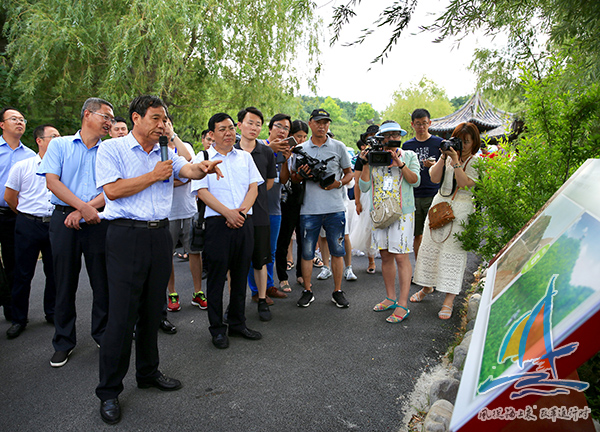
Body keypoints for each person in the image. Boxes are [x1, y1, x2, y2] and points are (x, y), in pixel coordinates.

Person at [94, 95, 222, 425]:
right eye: (155, 118)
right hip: (125, 234)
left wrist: (202, 167)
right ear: (136, 118)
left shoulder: (166, 151)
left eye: (164, 119)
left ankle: (148, 372)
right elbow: (111, 191)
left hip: (158, 235)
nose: (161, 125)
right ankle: (109, 391)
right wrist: (153, 175)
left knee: (153, 311)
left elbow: (188, 169)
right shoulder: (114, 149)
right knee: (122, 316)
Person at [38, 98, 113, 368]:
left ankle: (102, 333)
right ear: (87, 115)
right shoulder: (59, 144)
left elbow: (113, 189)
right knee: (63, 281)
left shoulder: (110, 150)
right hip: (63, 219)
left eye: (112, 118)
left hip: (97, 220)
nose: (109, 122)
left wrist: (84, 211)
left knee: (101, 281)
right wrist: (80, 207)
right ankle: (63, 341)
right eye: (105, 116)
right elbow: (51, 181)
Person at [195, 112, 263, 349]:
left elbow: (254, 187)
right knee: (216, 279)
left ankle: (237, 322)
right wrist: (228, 213)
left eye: (231, 128)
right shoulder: (202, 157)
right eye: (222, 129)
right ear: (211, 134)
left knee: (241, 273)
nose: (229, 132)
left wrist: (241, 213)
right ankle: (217, 329)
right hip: (217, 224)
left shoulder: (244, 157)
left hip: (244, 221)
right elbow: (201, 192)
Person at [411, 122, 481, 320]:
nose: (463, 145)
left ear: (474, 142)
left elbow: (464, 183)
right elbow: (433, 178)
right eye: (460, 141)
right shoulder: (448, 158)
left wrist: (457, 160)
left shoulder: (477, 162)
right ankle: (427, 287)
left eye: (467, 141)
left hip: (461, 211)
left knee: (453, 254)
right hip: (439, 206)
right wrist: (443, 157)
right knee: (430, 249)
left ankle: (448, 301)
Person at [358, 121, 420, 323]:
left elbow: (415, 181)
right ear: (381, 138)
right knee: (385, 256)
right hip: (380, 212)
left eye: (396, 135)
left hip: (402, 213)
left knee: (401, 257)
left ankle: (403, 304)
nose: (392, 139)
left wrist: (400, 164)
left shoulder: (409, 156)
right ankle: (390, 297)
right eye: (388, 135)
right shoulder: (374, 157)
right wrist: (366, 163)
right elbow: (365, 186)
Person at [291, 108, 353, 308]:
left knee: (337, 250)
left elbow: (349, 173)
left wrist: (339, 183)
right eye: (318, 122)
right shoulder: (301, 149)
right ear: (310, 123)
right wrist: (302, 174)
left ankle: (337, 291)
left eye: (326, 122)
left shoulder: (338, 146)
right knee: (307, 252)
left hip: (335, 207)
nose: (322, 126)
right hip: (309, 208)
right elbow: (293, 177)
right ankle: (308, 290)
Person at [4, 125, 59, 338]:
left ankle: (52, 312)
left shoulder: (62, 166)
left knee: (54, 272)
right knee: (22, 273)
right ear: (39, 140)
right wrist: (25, 215)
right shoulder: (23, 166)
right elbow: (10, 197)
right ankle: (19, 318)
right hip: (28, 223)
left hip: (54, 223)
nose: (58, 139)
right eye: (53, 136)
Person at [235, 107, 277, 321]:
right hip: (234, 215)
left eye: (258, 124)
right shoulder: (229, 150)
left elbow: (269, 182)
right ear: (239, 124)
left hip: (260, 214)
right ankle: (234, 305)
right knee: (235, 264)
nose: (254, 127)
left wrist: (254, 197)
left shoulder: (267, 152)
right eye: (250, 122)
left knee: (260, 261)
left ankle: (261, 300)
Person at [161, 117, 203, 314]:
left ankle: (198, 292)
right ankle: (172, 293)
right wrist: (178, 180)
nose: (164, 125)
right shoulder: (157, 149)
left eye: (167, 122)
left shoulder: (182, 145)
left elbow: (189, 164)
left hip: (188, 209)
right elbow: (161, 179)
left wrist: (172, 136)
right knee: (166, 254)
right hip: (167, 212)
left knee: (194, 251)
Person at [0, 107, 35, 321]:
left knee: (15, 263)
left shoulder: (30, 156)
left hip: (15, 214)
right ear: (2, 124)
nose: (19, 122)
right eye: (14, 119)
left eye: (22, 119)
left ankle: (13, 312)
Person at [402, 109, 443, 260]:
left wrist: (434, 165)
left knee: (434, 233)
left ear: (430, 123)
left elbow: (446, 167)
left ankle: (433, 270)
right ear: (412, 125)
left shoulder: (438, 143)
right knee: (417, 234)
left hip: (433, 193)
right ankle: (419, 269)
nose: (421, 127)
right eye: (418, 124)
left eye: (424, 123)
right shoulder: (407, 145)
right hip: (413, 194)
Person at [275, 120, 307, 293]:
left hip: (305, 200)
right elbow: (283, 179)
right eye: (298, 136)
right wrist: (287, 159)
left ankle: (301, 273)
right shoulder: (283, 151)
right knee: (284, 239)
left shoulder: (308, 152)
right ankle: (282, 277)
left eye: (304, 136)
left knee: (303, 239)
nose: (301, 140)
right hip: (286, 201)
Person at [351, 126, 379, 274]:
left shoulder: (388, 154)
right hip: (367, 195)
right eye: (370, 138)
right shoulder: (362, 158)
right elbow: (356, 181)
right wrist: (357, 201)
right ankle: (371, 260)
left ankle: (387, 259)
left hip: (383, 194)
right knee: (368, 229)